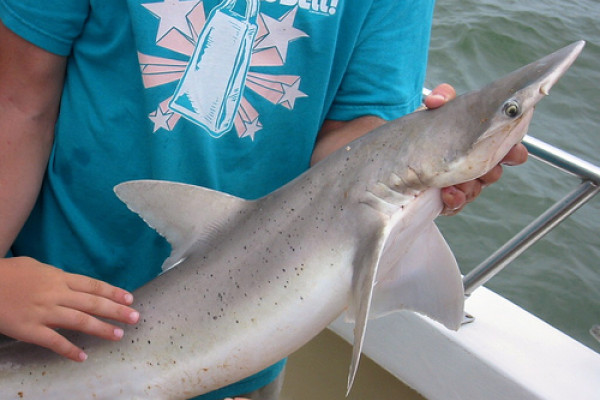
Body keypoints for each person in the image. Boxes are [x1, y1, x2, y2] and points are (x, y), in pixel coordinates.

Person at [0, 1, 527, 399]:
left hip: (244, 341)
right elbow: (18, 102)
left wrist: (414, 168)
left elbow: (356, 135)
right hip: (39, 308)